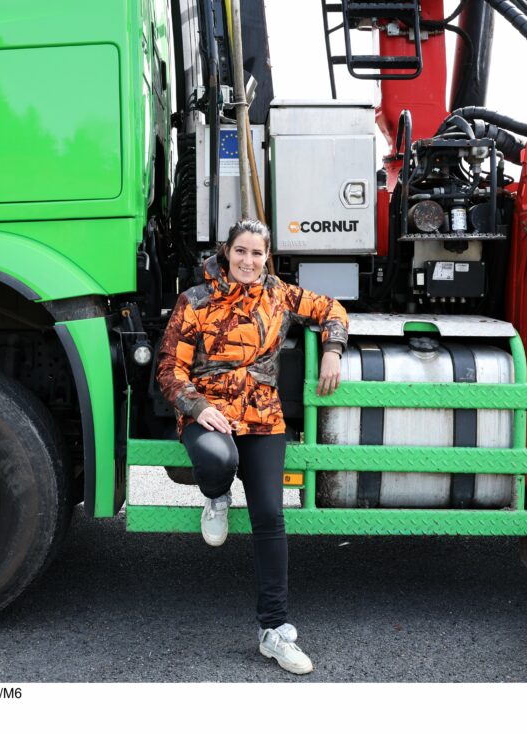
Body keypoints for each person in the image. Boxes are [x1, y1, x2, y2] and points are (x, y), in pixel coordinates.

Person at [156, 219, 348, 675]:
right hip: (209, 414)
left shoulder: (279, 294)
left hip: (263, 417)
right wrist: (196, 405)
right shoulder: (195, 301)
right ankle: (215, 494)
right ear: (226, 251)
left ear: (268, 257)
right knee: (221, 459)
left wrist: (332, 349)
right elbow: (168, 369)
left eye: (257, 254)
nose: (248, 261)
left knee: (269, 515)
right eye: (240, 251)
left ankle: (274, 631)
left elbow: (332, 308)